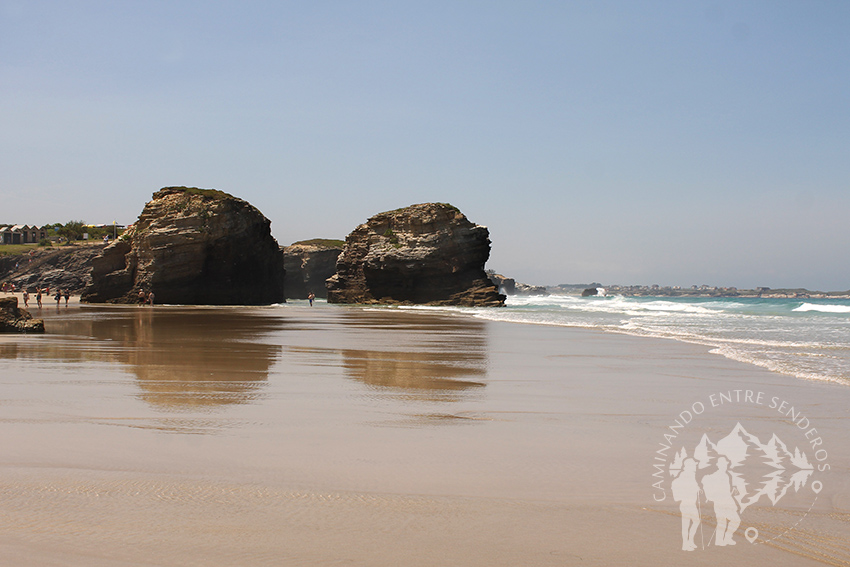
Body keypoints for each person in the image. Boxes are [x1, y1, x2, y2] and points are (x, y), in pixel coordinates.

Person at [701, 457, 741, 546]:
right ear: (719, 465)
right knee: (732, 521)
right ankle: (724, 539)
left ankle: (723, 540)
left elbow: (725, 491)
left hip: (723, 502)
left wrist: (732, 491)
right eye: (723, 464)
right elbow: (722, 492)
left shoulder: (725, 475)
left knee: (725, 522)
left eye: (726, 464)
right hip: (722, 502)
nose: (725, 466)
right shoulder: (720, 476)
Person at [671, 458, 701, 551]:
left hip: (690, 504)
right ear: (689, 466)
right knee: (687, 524)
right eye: (694, 465)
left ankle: (690, 541)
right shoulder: (685, 475)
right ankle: (685, 544)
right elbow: (687, 487)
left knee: (695, 521)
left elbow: (694, 486)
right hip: (687, 504)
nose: (696, 466)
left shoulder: (691, 475)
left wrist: (698, 489)